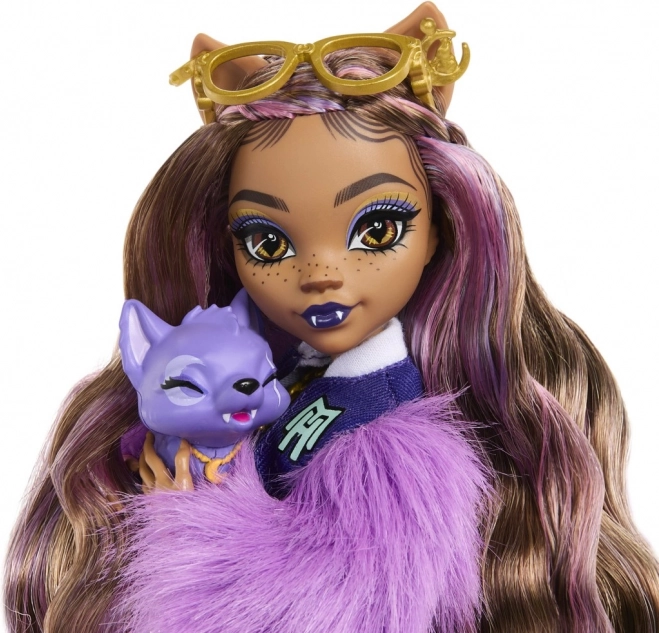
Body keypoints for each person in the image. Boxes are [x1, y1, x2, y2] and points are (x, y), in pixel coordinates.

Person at [5, 4, 659, 632]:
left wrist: (188, 511)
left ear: (442, 228)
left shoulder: (397, 447)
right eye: (267, 241)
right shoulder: (285, 372)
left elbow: (312, 614)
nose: (320, 272)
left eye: (376, 230)